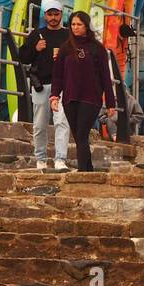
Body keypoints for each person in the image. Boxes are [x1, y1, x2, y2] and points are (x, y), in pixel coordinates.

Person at [49, 11, 116, 173]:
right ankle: (89, 170)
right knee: (79, 136)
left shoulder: (97, 48)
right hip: (70, 98)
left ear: (86, 26)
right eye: (73, 24)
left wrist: (111, 102)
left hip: (91, 98)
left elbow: (106, 77)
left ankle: (82, 172)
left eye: (79, 24)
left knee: (81, 134)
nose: (76, 27)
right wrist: (54, 96)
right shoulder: (66, 48)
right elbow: (58, 75)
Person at [19, 3, 72, 170]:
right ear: (45, 15)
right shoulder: (37, 34)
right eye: (50, 14)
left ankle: (60, 159)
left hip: (63, 85)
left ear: (61, 14)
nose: (53, 18)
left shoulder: (68, 35)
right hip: (41, 84)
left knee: (62, 123)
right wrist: (36, 48)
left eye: (56, 14)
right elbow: (23, 57)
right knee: (39, 125)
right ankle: (40, 158)